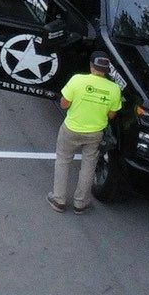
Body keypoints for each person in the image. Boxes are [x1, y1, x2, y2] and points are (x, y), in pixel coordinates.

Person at [51, 54, 123, 212]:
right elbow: (112, 115)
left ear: (91, 66)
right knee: (89, 167)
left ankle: (59, 200)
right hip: (95, 132)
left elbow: (64, 104)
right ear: (107, 70)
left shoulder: (77, 80)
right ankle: (81, 203)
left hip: (71, 129)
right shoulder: (115, 89)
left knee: (63, 161)